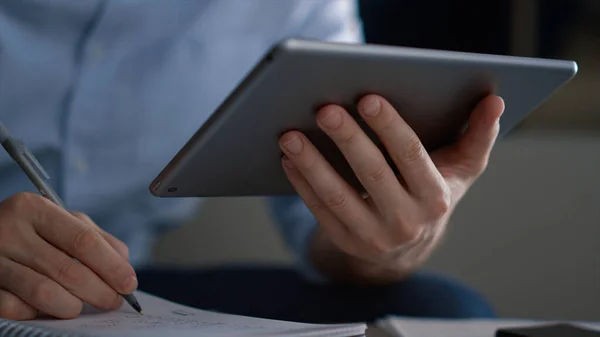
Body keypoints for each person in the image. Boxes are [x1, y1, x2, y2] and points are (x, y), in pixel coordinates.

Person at [0, 0, 504, 323]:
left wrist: (391, 239)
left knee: (443, 313)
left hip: (125, 284)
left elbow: (323, 232)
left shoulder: (300, 8)